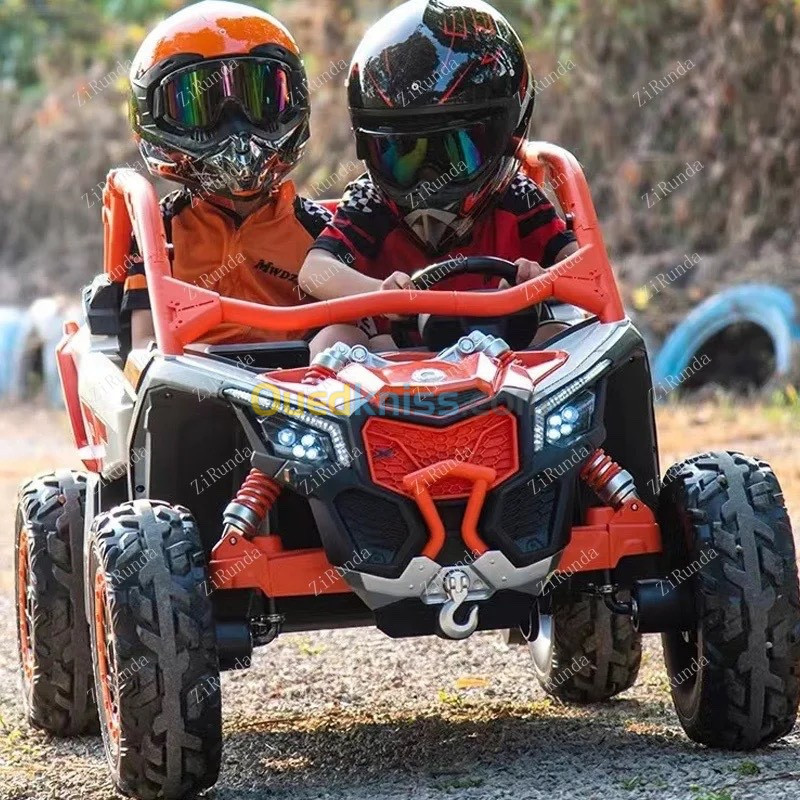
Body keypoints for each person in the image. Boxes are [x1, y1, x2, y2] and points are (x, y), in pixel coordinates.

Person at [299, 0, 578, 354]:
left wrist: (543, 279)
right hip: (395, 371)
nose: (429, 178)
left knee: (561, 333)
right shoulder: (372, 201)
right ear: (369, 148)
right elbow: (314, 269)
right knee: (334, 338)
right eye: (405, 154)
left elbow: (584, 268)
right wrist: (379, 293)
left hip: (508, 363)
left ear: (503, 136)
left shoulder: (517, 195)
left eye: (457, 152)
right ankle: (325, 409)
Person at [125, 0, 331, 347]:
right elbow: (144, 343)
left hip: (302, 388)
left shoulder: (316, 228)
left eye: (257, 99)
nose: (236, 128)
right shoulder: (158, 230)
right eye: (202, 107)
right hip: (193, 388)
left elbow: (357, 328)